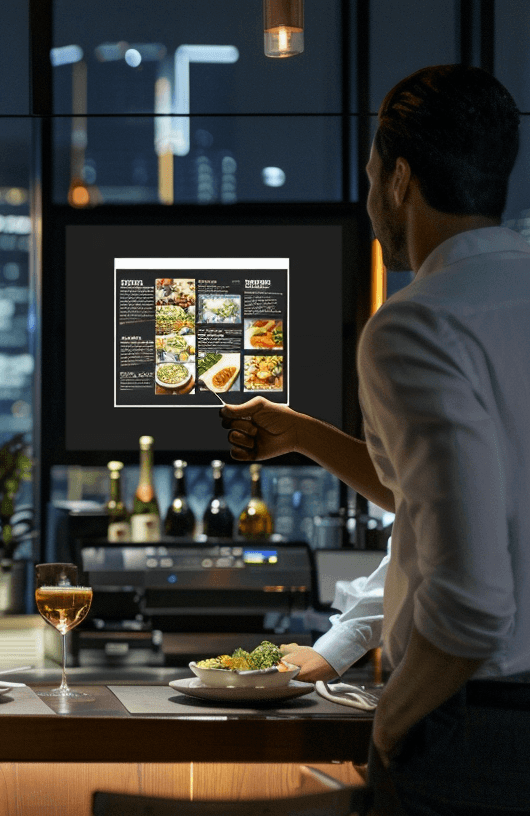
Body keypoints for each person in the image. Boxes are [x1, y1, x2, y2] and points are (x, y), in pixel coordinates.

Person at [222, 64, 530, 814]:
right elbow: (443, 500)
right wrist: (302, 432)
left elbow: (472, 599)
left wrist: (394, 722)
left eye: (368, 177)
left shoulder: (416, 322)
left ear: (398, 180)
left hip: (475, 728)